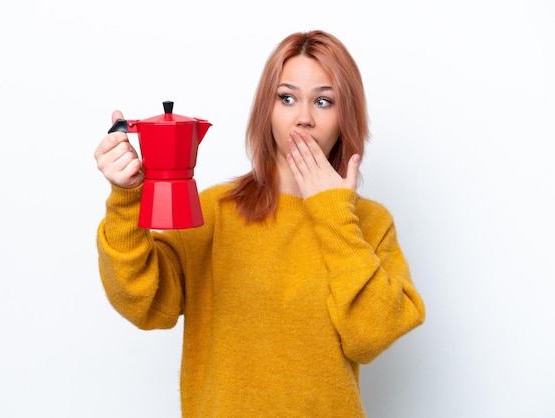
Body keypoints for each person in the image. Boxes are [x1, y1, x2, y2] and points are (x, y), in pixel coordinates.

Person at [94, 29, 425, 417]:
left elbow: (370, 337)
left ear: (345, 115)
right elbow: (144, 303)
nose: (303, 118)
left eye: (323, 100)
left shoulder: (369, 222)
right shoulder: (215, 211)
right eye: (286, 98)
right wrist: (125, 200)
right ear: (266, 111)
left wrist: (334, 213)